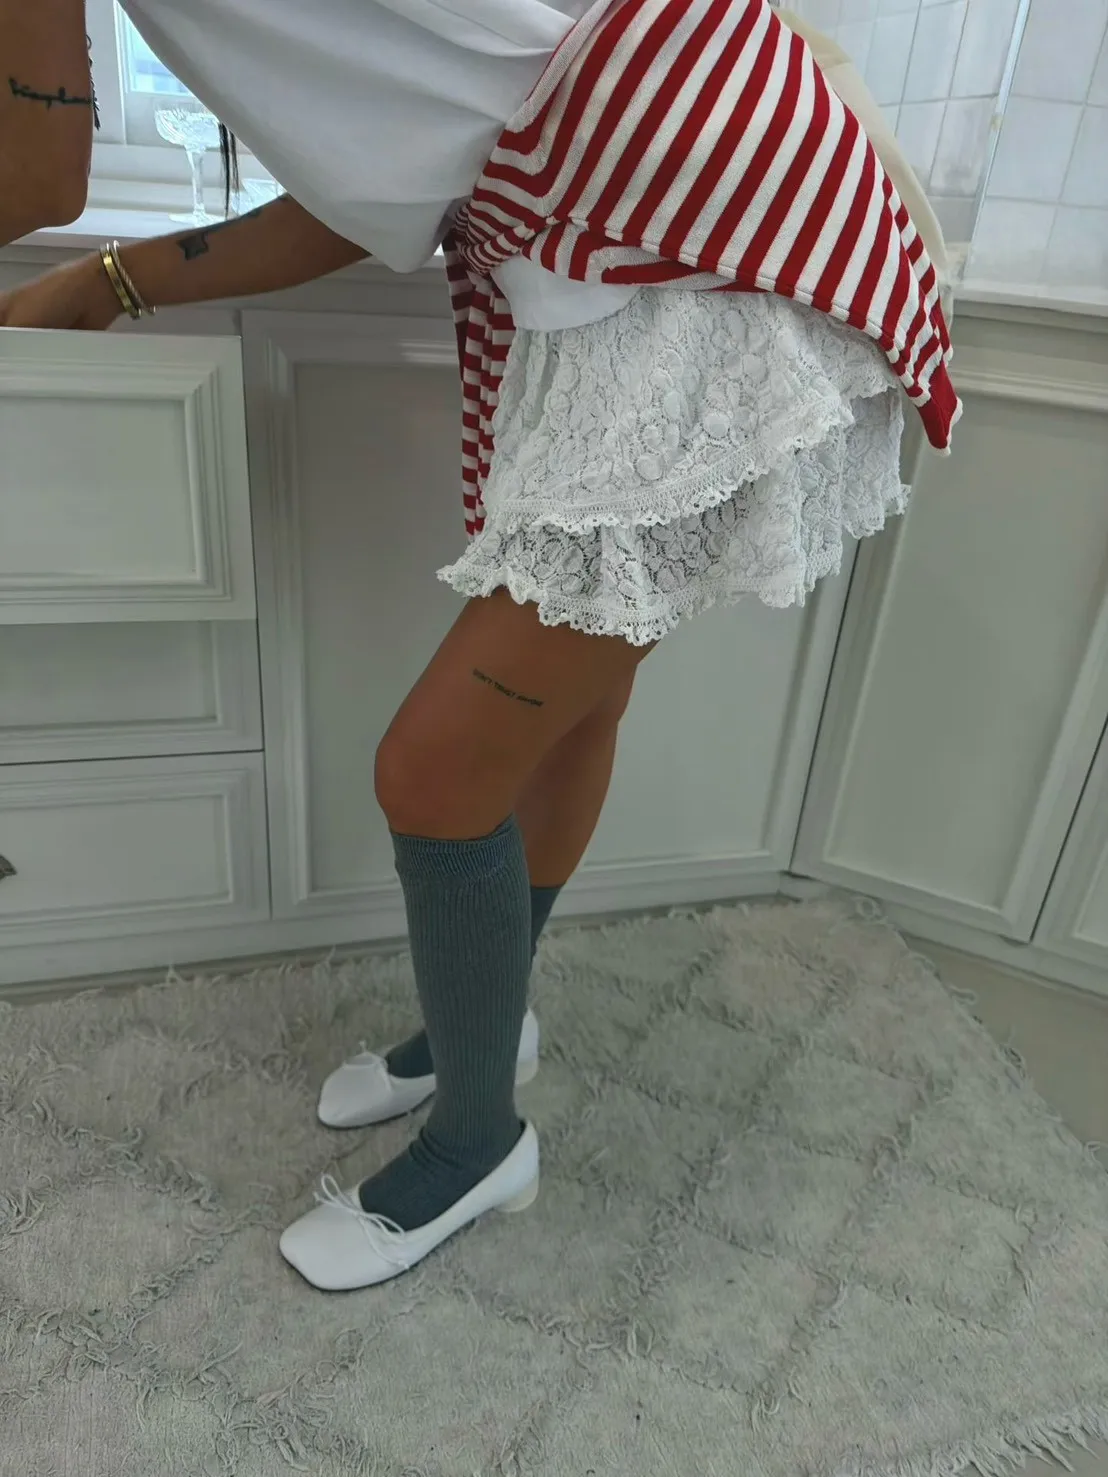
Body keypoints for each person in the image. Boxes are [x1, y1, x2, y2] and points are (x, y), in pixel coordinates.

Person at [0, 0, 956, 1292]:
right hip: (642, 256)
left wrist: (94, 274)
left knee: (435, 774)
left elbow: (33, 173)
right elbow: (381, 186)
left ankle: (478, 1142)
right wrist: (104, 283)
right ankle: (489, 1036)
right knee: (567, 719)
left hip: (705, 272)